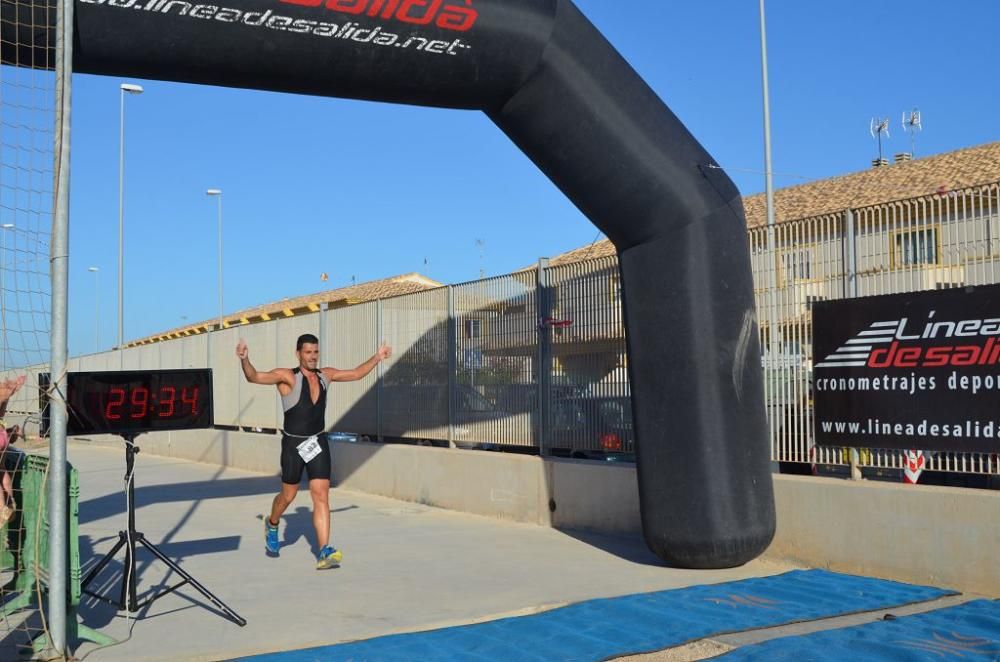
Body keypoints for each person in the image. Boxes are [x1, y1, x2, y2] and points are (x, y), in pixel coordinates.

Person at [236, 334, 391, 569]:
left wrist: (377, 357)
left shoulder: (325, 376)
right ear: (298, 353)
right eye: (308, 352)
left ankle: (324, 550)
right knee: (288, 496)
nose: (312, 357)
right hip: (293, 446)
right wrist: (245, 359)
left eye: (315, 352)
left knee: (321, 495)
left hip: (317, 442)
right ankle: (273, 523)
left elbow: (356, 373)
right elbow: (254, 377)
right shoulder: (287, 377)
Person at [0, 375, 26, 525]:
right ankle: (11, 502)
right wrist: (15, 387)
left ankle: (2, 508)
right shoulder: (4, 396)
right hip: (3, 433)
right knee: (2, 470)